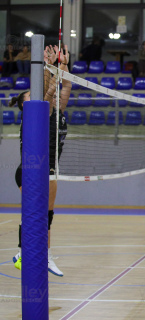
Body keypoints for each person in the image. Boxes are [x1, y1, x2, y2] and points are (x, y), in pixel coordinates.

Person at [11, 45, 72, 277]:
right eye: (31, 95)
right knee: (33, 212)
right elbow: (47, 91)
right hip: (29, 170)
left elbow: (64, 85)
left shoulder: (58, 111)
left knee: (46, 215)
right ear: (27, 104)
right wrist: (48, 66)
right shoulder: (36, 112)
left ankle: (44, 255)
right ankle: (22, 252)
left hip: (50, 168)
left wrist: (63, 64)